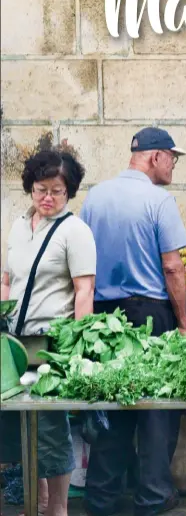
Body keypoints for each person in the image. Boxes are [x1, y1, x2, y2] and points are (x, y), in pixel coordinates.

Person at [80, 127, 186, 516]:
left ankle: (102, 496)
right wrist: (182, 323)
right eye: (172, 157)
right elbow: (173, 267)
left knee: (111, 401)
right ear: (155, 156)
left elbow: (82, 262)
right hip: (150, 315)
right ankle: (154, 495)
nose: (173, 165)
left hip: (104, 317)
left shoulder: (95, 197)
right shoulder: (159, 200)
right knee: (158, 406)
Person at [1, 149, 96, 516]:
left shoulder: (75, 231)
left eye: (57, 191)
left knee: (51, 430)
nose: (48, 198)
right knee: (23, 427)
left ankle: (57, 509)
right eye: (41, 189)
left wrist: (80, 348)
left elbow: (84, 291)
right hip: (15, 343)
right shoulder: (17, 226)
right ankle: (35, 502)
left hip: (53, 343)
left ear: (69, 192)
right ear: (30, 187)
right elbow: (8, 280)